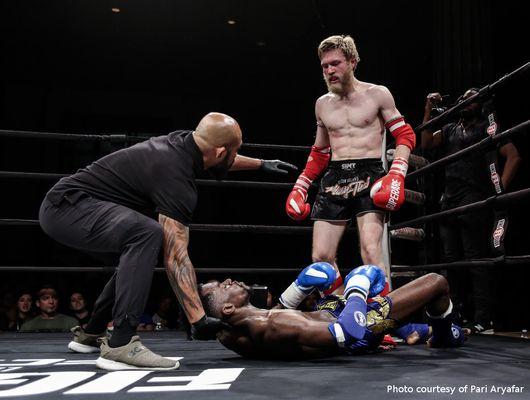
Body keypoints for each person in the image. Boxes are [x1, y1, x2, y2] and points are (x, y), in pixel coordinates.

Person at [39, 112, 296, 371]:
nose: (235, 155)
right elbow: (176, 256)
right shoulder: (175, 177)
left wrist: (261, 164)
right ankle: (121, 344)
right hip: (67, 209)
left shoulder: (186, 144)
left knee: (139, 249)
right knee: (147, 234)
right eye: (235, 150)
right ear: (220, 151)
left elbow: (219, 158)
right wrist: (198, 318)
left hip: (73, 204)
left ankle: (92, 332)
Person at [285, 35, 416, 295]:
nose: (330, 71)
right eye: (325, 66)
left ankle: (381, 319)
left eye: (336, 63)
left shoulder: (377, 94)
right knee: (321, 257)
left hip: (369, 174)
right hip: (334, 177)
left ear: (353, 62)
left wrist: (397, 174)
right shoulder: (322, 104)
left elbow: (405, 135)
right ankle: (342, 312)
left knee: (370, 249)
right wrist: (301, 185)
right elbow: (320, 151)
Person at [199, 264, 464, 359]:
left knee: (327, 282)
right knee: (436, 282)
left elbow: (273, 322)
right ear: (228, 307)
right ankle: (444, 337)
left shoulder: (232, 331)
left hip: (332, 315)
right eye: (222, 287)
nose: (229, 280)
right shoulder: (273, 324)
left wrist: (298, 289)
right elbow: (345, 332)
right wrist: (357, 290)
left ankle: (427, 331)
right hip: (357, 327)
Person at [421, 89, 521, 333]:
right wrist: (427, 110)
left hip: (474, 196)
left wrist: (498, 190)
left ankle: (483, 318)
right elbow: (425, 143)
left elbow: (513, 156)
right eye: (463, 97)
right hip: (449, 199)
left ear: (481, 104)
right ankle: (453, 314)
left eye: (472, 98)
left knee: (475, 257)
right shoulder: (450, 129)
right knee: (450, 261)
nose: (465, 100)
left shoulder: (486, 129)